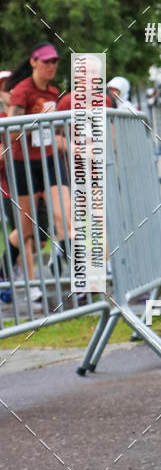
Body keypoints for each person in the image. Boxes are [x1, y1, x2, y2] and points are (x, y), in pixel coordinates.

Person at [6, 43, 71, 302]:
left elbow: (52, 132)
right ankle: (4, 270)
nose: (51, 66)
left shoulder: (54, 91)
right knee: (25, 231)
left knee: (64, 215)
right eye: (46, 62)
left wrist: (59, 136)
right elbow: (10, 132)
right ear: (33, 62)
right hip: (25, 165)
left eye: (54, 62)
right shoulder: (22, 91)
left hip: (49, 160)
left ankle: (82, 281)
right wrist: (36, 120)